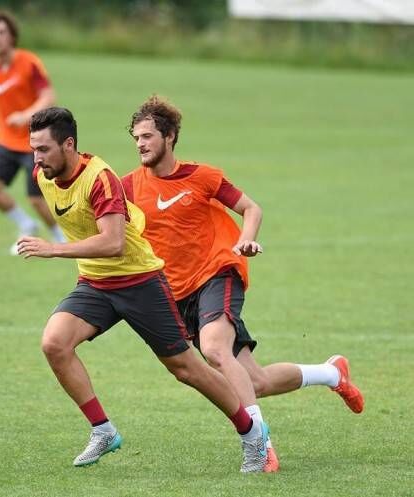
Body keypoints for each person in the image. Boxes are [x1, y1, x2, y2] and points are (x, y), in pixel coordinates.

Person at [16, 106, 269, 473]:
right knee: (54, 343)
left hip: (139, 281)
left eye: (43, 149)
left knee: (186, 369)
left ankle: (252, 434)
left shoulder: (101, 179)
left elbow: (113, 243)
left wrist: (52, 248)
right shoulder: (43, 175)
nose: (36, 158)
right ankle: (103, 430)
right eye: (33, 149)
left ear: (68, 145)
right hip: (95, 282)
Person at [122, 95, 365, 473]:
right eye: (136, 137)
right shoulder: (128, 187)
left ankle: (260, 444)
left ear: (169, 137)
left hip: (218, 271)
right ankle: (332, 373)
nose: (140, 144)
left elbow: (251, 208)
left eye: (148, 136)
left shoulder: (202, 176)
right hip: (178, 293)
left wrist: (245, 240)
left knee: (214, 349)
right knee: (256, 381)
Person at [0, 10, 65, 254]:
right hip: (6, 141)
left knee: (37, 199)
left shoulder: (28, 62)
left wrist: (26, 116)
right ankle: (26, 225)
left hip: (35, 143)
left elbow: (48, 96)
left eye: (2, 32)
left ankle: (60, 237)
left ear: (12, 36)